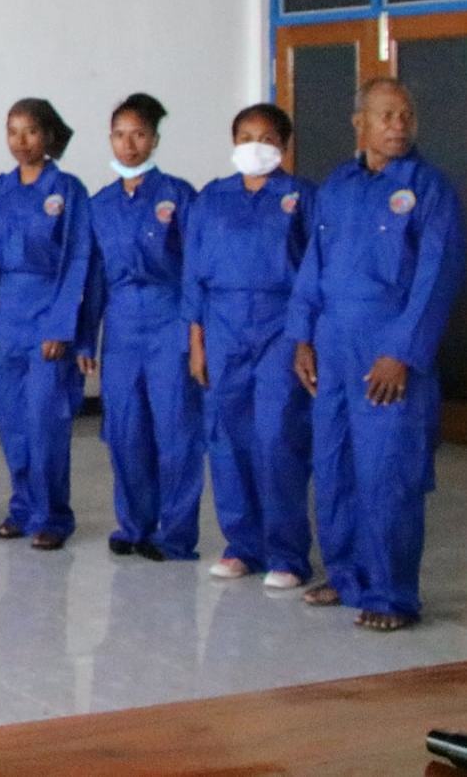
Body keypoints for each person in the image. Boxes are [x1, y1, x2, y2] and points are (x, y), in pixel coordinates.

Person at [290, 78, 463, 632]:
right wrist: (303, 337)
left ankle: (390, 595)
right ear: (359, 122)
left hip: (387, 344)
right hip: (333, 344)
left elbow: (437, 277)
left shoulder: (428, 189)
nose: (399, 125)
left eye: (406, 115)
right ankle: (345, 575)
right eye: (387, 115)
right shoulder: (336, 188)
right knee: (335, 463)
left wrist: (402, 353)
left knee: (388, 471)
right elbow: (313, 267)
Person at [185, 104, 314, 589]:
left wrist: (305, 339)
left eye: (265, 136)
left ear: (283, 144)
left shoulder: (300, 197)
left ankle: (287, 554)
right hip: (222, 327)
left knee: (278, 436)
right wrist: (197, 342)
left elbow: (314, 271)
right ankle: (242, 544)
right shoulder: (212, 199)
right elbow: (193, 275)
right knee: (227, 437)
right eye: (245, 135)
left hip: (281, 325)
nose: (254, 144)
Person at [0, 98, 92, 551]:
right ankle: (22, 507)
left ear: (49, 135)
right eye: (12, 131)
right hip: (5, 317)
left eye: (31, 131)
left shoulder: (68, 190)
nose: (21, 141)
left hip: (47, 317)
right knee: (13, 421)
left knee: (45, 420)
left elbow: (78, 260)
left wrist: (61, 327)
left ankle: (52, 515)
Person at [78, 93, 203, 562]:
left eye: (138, 135)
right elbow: (91, 276)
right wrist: (87, 336)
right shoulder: (101, 204)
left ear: (154, 140)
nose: (128, 144)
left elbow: (194, 269)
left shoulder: (178, 195)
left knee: (175, 430)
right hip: (123, 325)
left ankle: (174, 534)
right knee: (125, 430)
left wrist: (195, 334)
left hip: (169, 317)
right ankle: (133, 524)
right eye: (119, 135)